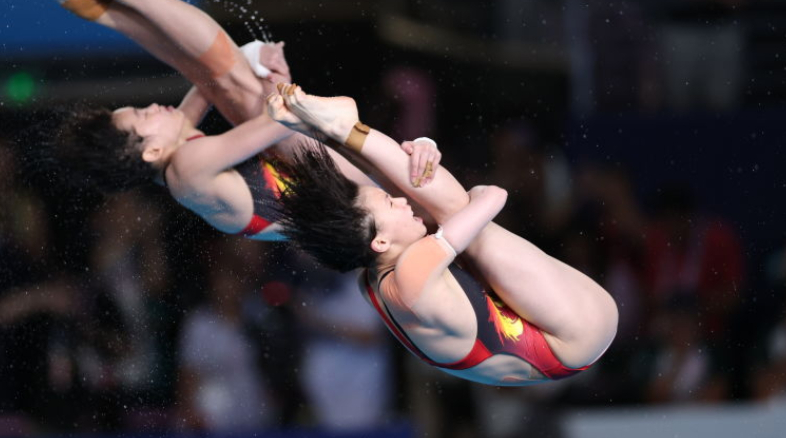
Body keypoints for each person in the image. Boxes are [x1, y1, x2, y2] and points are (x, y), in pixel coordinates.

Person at [41, 0, 439, 241]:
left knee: (222, 76)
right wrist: (268, 76)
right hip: (347, 199)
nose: (153, 107)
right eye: (143, 116)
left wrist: (265, 74)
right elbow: (281, 116)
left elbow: (204, 78)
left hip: (325, 183)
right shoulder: (189, 167)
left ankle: (106, 9)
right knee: (236, 79)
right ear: (150, 151)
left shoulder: (175, 158)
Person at [265, 84, 618, 387]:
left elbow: (369, 203)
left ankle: (330, 130)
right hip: (577, 333)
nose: (400, 202)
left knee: (432, 205)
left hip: (554, 341)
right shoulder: (411, 275)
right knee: (455, 212)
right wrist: (427, 157)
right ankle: (347, 129)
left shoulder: (374, 268)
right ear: (381, 242)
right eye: (392, 204)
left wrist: (423, 149)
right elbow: (493, 195)